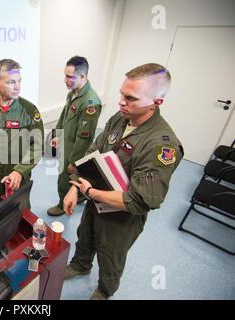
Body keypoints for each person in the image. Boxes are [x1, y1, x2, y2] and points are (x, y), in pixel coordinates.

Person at [63, 63, 184, 300]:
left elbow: (141, 200)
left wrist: (92, 192)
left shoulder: (161, 145)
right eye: (121, 93)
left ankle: (105, 290)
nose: (120, 101)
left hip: (122, 216)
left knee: (111, 255)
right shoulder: (121, 118)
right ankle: (81, 265)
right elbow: (94, 153)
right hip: (95, 199)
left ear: (155, 103)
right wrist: (74, 188)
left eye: (130, 98)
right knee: (84, 235)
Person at [0, 59, 44, 209]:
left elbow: (38, 145)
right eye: (11, 82)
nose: (17, 87)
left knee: (20, 212)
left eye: (19, 81)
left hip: (19, 174)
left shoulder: (29, 110)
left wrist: (19, 171)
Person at [47, 55, 102, 216]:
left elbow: (85, 139)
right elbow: (64, 115)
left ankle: (62, 204)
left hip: (74, 149)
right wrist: (56, 134)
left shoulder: (90, 103)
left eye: (70, 77)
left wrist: (75, 162)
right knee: (64, 173)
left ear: (83, 76)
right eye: (65, 75)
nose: (65, 80)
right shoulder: (73, 92)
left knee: (65, 178)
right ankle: (79, 196)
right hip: (65, 141)